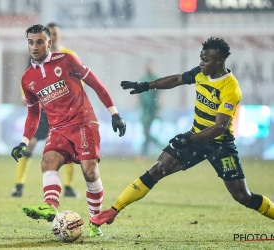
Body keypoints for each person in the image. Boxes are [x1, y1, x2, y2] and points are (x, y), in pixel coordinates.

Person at [90, 37, 274, 228]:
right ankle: (114, 210)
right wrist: (146, 85)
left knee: (242, 196)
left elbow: (219, 128)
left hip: (221, 146)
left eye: (207, 60)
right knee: (158, 169)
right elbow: (177, 79)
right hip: (195, 137)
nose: (202, 63)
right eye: (201, 58)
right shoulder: (200, 73)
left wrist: (188, 140)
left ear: (220, 61)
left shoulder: (231, 88)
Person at [10, 24, 126, 237]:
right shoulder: (27, 79)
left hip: (84, 122)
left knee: (90, 172)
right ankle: (50, 206)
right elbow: (33, 114)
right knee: (48, 161)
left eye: (39, 41)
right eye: (30, 42)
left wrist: (114, 114)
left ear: (49, 43)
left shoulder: (67, 60)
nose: (34, 47)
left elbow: (97, 85)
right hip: (58, 128)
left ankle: (95, 220)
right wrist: (24, 142)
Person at [11, 22, 80, 198]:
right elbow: (28, 77)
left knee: (68, 148)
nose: (55, 37)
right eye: (52, 34)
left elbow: (81, 79)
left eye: (57, 33)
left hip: (63, 111)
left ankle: (69, 187)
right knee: (30, 145)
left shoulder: (69, 55)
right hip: (43, 110)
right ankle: (19, 185)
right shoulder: (37, 54)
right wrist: (23, 96)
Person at [138, 58, 161, 158]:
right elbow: (139, 93)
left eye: (151, 65)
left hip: (152, 109)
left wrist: (158, 108)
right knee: (145, 132)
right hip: (144, 109)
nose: (149, 67)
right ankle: (158, 147)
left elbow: (159, 94)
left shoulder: (156, 79)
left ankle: (145, 153)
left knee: (146, 132)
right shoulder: (143, 79)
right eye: (148, 65)